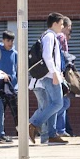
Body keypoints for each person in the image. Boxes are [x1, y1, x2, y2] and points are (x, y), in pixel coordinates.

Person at [29, 15, 69, 145]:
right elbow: (47, 56)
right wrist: (55, 73)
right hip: (50, 76)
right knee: (58, 103)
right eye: (62, 24)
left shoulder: (49, 36)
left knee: (53, 104)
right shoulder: (50, 36)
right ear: (55, 23)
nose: (63, 27)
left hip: (50, 75)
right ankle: (33, 124)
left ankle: (51, 135)